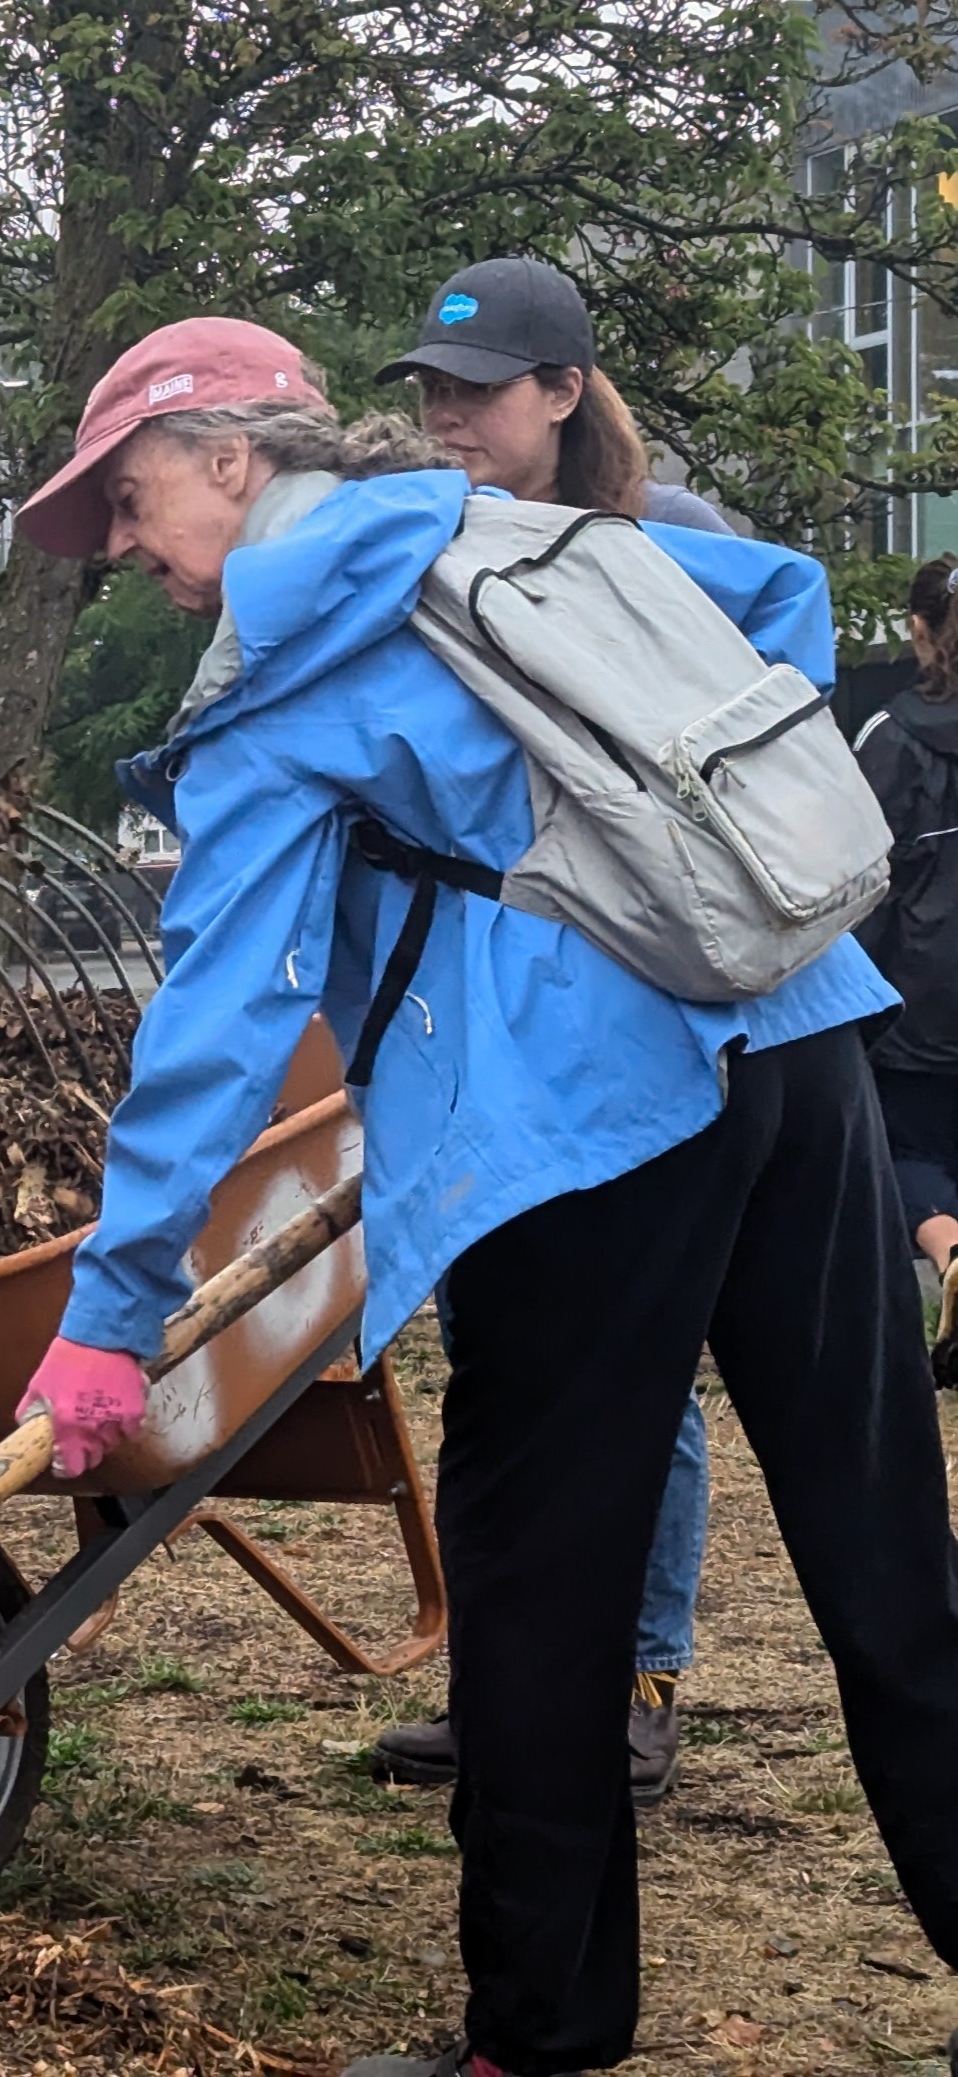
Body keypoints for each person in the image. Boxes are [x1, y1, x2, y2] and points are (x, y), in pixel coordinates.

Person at [10, 315, 958, 2077]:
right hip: (798, 1033)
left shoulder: (278, 662)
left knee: (537, 1584)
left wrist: (104, 1315)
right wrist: (692, 873)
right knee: (888, 1554)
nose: (122, 550)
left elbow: (215, 1026)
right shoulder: (516, 530)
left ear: (233, 457)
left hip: (584, 1120)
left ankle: (536, 2035)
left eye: (128, 503)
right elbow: (777, 606)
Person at [365, 258, 727, 1803]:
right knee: (494, 1359)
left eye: (479, 389)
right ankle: (513, 1678)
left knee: (643, 1367)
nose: (446, 416)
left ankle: (637, 1673)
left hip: (641, 1017)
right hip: (488, 1024)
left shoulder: (670, 548)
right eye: (430, 390)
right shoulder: (419, 554)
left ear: (565, 393)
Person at [855, 557, 958, 1386]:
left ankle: (950, 1251)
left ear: (919, 633)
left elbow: (854, 882)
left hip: (919, 997)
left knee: (904, 1145)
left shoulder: (888, 738)